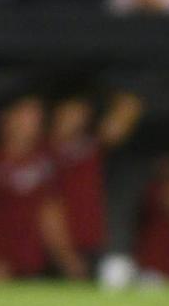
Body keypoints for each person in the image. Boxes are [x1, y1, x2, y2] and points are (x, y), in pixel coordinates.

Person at [0, 96, 83, 281]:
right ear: (5, 119)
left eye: (36, 115)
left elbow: (49, 215)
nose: (32, 121)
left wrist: (68, 259)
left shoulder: (45, 163)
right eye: (25, 114)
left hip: (33, 272)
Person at [49, 90, 143, 269]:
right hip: (50, 244)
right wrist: (63, 252)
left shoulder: (89, 147)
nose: (74, 118)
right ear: (56, 113)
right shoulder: (42, 150)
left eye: (80, 113)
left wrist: (105, 93)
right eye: (69, 112)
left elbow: (128, 110)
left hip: (89, 239)